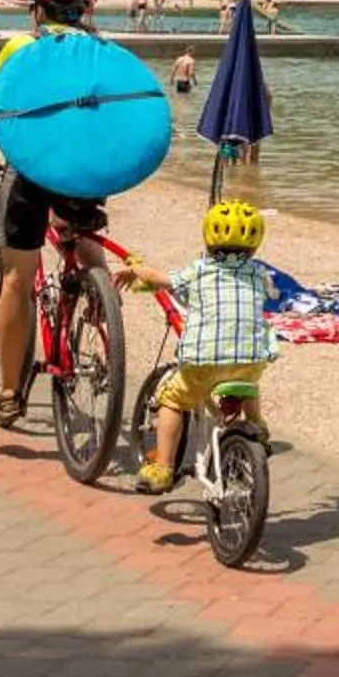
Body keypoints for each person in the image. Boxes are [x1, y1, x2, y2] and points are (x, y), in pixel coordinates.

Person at [0, 0, 112, 427]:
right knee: (76, 231)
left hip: (32, 169)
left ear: (37, 10)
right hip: (86, 170)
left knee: (18, 279)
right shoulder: (103, 52)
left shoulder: (21, 47)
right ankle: (102, 312)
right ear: (85, 11)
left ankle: (6, 394)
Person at [115, 199, 277, 494]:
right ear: (255, 246)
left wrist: (136, 269)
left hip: (204, 363)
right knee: (245, 373)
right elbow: (270, 294)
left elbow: (159, 280)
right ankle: (256, 425)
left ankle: (163, 468)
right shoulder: (259, 274)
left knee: (173, 400)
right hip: (252, 361)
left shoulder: (199, 270)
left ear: (207, 239)